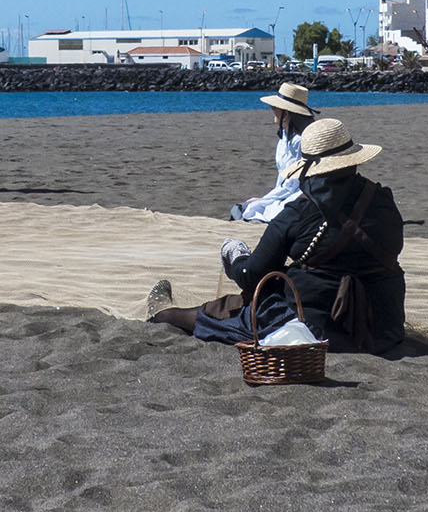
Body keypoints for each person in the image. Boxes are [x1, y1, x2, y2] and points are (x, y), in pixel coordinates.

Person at [147, 117, 407, 354]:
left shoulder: (299, 213)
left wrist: (235, 255)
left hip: (314, 329)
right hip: (384, 326)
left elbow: (252, 275)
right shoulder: (383, 201)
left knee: (232, 310)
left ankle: (165, 314)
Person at [228, 83, 316, 222]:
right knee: (246, 209)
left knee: (246, 210)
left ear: (286, 114)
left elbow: (292, 185)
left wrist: (265, 199)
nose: (272, 110)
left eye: (275, 108)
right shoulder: (285, 136)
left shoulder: (298, 141)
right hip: (285, 194)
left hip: (296, 197)